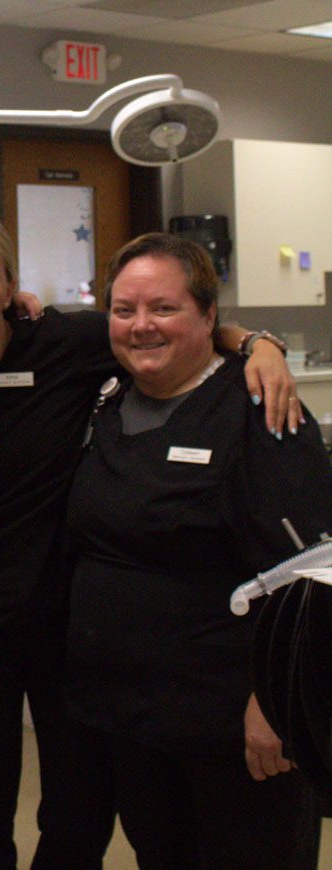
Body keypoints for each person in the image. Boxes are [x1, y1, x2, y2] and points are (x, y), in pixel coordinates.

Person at [0, 211, 296, 868]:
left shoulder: (65, 343)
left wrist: (262, 344)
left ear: (9, 286)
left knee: (80, 805)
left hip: (65, 621)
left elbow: (171, 324)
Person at [66, 233, 329, 869]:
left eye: (163, 308)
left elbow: (316, 570)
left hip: (235, 727)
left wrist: (275, 704)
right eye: (124, 309)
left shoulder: (260, 407)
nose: (140, 325)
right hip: (130, 720)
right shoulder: (106, 400)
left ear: (209, 317)